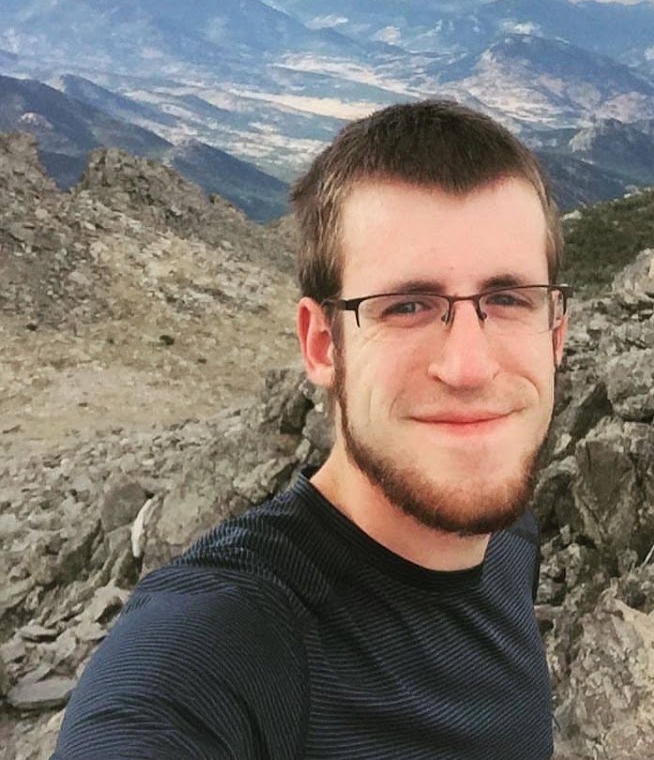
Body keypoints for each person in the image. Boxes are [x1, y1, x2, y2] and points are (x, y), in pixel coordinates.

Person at [54, 99, 569, 759]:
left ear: (556, 332)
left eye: (508, 299)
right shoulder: (217, 644)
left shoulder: (507, 535)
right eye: (407, 305)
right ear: (323, 344)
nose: (468, 366)